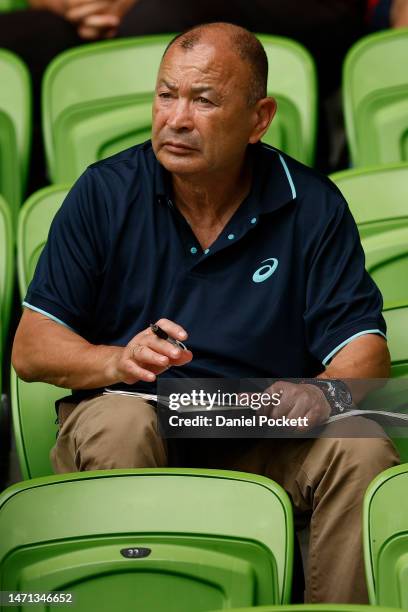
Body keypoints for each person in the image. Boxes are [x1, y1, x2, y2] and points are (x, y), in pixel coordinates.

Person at [12, 23, 399, 603]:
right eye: (166, 95)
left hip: (261, 425)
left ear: (259, 118)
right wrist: (119, 359)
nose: (177, 118)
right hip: (139, 412)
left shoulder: (311, 202)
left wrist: (322, 395)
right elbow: (31, 349)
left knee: (361, 444)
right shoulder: (104, 193)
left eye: (204, 100)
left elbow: (365, 352)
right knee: (120, 426)